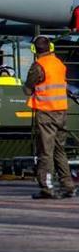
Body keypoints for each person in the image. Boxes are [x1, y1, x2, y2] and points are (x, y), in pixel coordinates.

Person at [24, 36, 76, 199]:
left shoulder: (38, 66)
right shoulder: (59, 63)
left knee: (46, 151)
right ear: (50, 47)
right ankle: (68, 186)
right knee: (60, 150)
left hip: (46, 112)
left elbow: (27, 88)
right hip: (61, 111)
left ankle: (47, 187)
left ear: (34, 50)